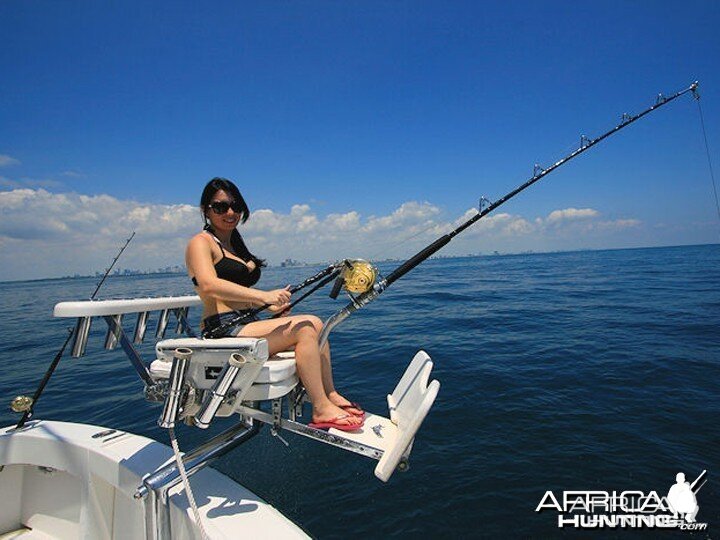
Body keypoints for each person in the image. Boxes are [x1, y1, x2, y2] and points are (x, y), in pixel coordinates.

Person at [186, 177, 364, 431]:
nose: (230, 212)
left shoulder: (234, 243)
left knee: (316, 324)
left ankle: (330, 394)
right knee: (304, 328)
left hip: (247, 324)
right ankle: (321, 408)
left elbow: (238, 291)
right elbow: (207, 285)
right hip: (222, 330)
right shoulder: (200, 243)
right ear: (205, 210)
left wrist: (271, 308)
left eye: (235, 206)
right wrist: (263, 297)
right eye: (220, 207)